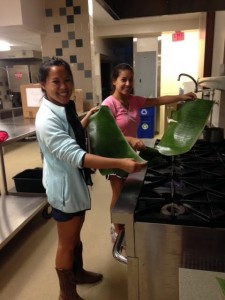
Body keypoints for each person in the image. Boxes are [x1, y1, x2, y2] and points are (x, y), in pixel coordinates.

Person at [35, 57, 146, 300]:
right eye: (56, 81)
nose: (64, 86)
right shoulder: (46, 119)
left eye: (67, 79)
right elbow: (77, 155)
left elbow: (71, 135)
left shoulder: (64, 106)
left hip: (74, 184)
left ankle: (78, 272)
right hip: (64, 189)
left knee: (74, 235)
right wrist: (122, 163)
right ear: (43, 84)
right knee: (66, 242)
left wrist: (87, 118)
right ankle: (67, 293)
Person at [101, 62, 197, 242]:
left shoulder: (134, 100)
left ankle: (125, 223)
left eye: (130, 80)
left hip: (132, 153)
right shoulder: (108, 104)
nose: (128, 84)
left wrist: (181, 97)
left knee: (129, 192)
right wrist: (130, 140)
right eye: (123, 80)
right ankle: (116, 228)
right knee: (118, 192)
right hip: (115, 155)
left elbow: (157, 100)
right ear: (114, 81)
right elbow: (108, 134)